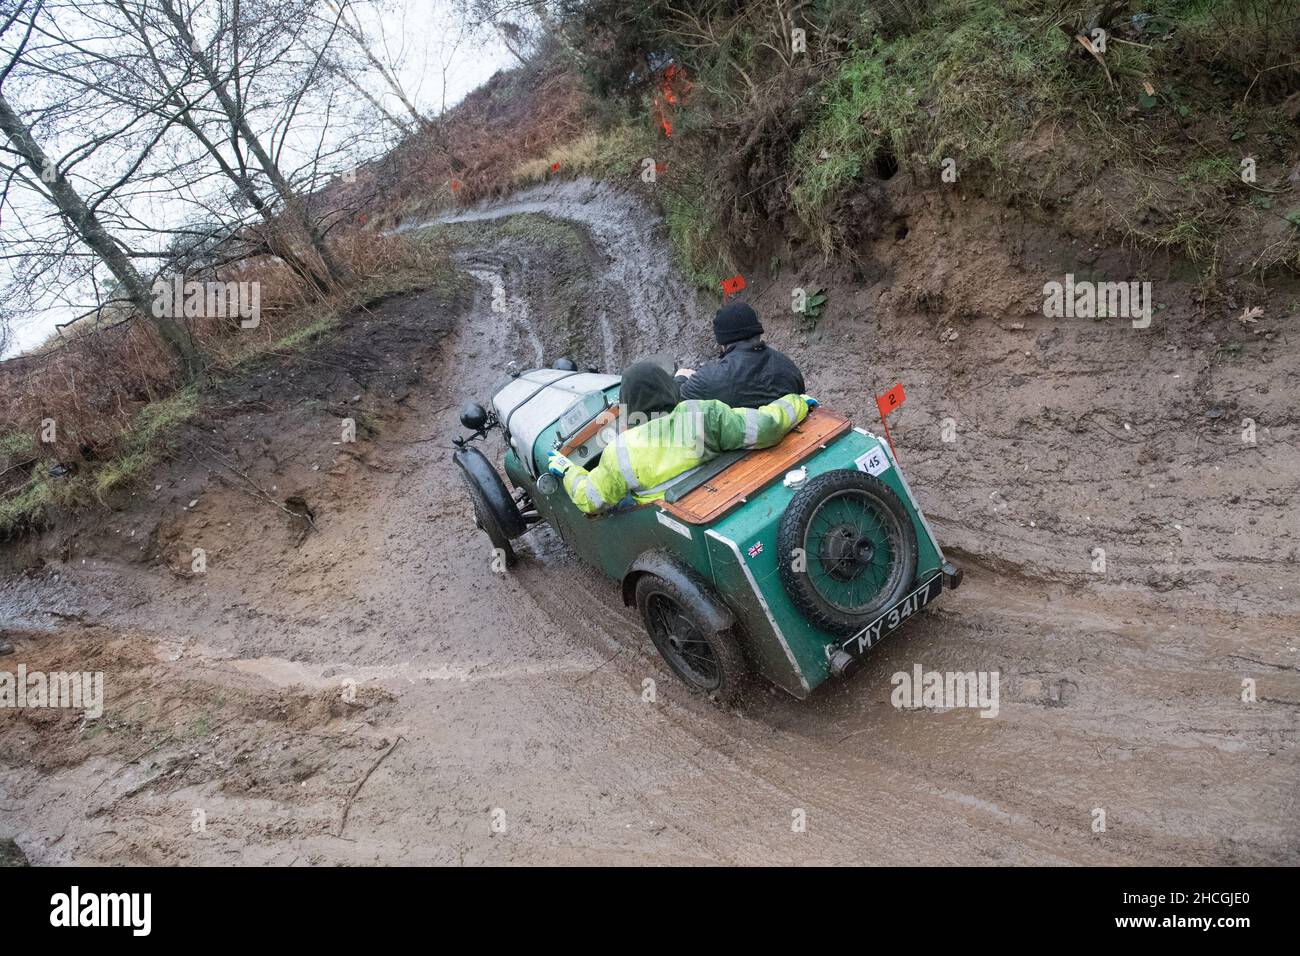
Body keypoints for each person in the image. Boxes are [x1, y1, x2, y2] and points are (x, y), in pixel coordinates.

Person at [547, 361, 816, 515]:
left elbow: (591, 501)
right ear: (669, 389)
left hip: (666, 523)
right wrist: (798, 403)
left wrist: (569, 470)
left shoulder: (619, 452)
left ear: (628, 407)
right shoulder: (702, 413)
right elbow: (766, 427)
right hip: (722, 503)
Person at [676, 301, 805, 408]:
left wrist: (681, 378)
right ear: (758, 334)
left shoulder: (707, 378)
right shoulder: (786, 364)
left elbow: (671, 403)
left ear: (723, 343)